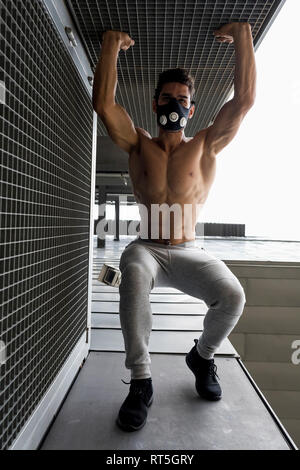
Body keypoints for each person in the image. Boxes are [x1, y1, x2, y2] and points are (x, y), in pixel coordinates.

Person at [92, 22, 256, 432]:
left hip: (187, 250)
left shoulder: (205, 145)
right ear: (155, 103)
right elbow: (105, 105)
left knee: (232, 296)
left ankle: (202, 356)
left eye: (182, 99)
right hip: (146, 247)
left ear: (192, 107)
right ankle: (141, 382)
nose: (175, 104)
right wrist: (111, 45)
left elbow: (245, 100)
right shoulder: (138, 143)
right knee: (131, 274)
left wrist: (243, 37)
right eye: (167, 98)